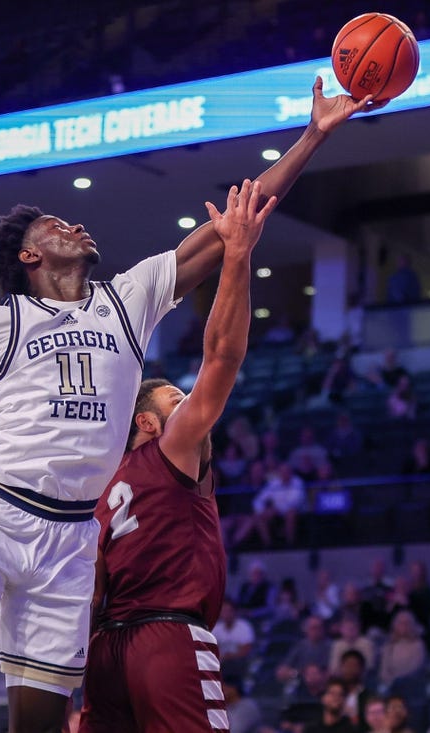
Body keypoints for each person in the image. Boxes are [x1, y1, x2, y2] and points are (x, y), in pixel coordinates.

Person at [0, 77, 378, 733]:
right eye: (58, 225)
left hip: (70, 542)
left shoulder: (127, 298)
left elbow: (234, 225)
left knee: (38, 724)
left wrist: (313, 135)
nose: (77, 224)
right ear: (31, 255)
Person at [81, 175, 271, 728]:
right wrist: (237, 257)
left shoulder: (98, 484)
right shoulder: (173, 448)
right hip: (166, 637)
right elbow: (221, 360)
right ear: (147, 420)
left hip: (103, 650)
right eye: (175, 398)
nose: (186, 404)